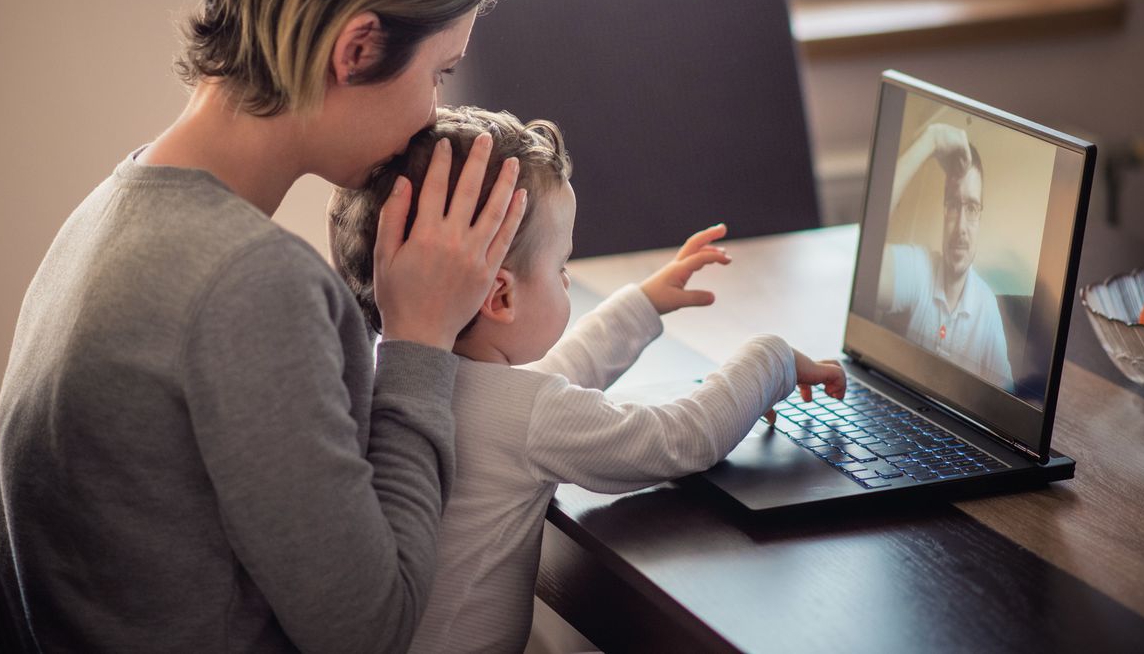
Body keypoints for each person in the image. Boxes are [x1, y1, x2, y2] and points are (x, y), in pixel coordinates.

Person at [0, 0, 530, 653]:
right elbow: (372, 632)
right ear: (358, 48)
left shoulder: (112, 208)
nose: (433, 112)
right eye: (439, 73)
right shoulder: (247, 285)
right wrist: (421, 337)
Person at [329, 106, 846, 654]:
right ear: (501, 296)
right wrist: (773, 358)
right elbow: (683, 437)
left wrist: (642, 305)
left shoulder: (398, 375)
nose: (567, 280)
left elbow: (549, 381)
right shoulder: (524, 414)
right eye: (561, 268)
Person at [877, 122, 1013, 389]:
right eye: (953, 205)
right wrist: (930, 140)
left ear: (981, 218)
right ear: (944, 212)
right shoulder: (920, 268)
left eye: (972, 207)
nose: (961, 226)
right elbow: (869, 267)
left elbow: (1008, 401)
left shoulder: (987, 308)